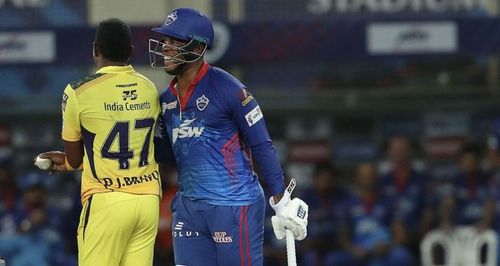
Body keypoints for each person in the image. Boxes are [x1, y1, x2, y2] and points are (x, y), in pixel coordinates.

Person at [149, 7, 309, 266]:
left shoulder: (230, 90)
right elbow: (170, 155)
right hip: (189, 209)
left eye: (174, 41)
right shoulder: (166, 99)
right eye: (165, 40)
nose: (165, 47)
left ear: (198, 48)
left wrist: (280, 198)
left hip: (235, 208)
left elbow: (262, 144)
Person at [36, 18, 161, 266]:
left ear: (95, 50)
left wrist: (70, 163)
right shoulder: (150, 88)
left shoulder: (78, 91)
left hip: (107, 199)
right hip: (148, 202)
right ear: (130, 51)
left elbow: (74, 157)